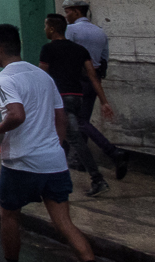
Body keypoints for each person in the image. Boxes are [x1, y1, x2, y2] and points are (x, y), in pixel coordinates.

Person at [0, 24, 117, 262]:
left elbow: (16, 115)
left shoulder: (4, 78)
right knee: (65, 224)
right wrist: (53, 148)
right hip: (53, 163)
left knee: (9, 216)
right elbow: (60, 121)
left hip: (20, 163)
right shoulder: (44, 77)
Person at [40, 15, 116, 196]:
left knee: (73, 139)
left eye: (45, 26)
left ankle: (97, 179)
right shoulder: (79, 50)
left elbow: (41, 77)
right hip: (77, 97)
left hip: (60, 99)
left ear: (51, 29)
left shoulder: (48, 49)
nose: (44, 30)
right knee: (62, 137)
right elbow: (93, 76)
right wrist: (104, 101)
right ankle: (54, 177)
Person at [63, 0, 129, 179]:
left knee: (78, 121)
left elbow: (66, 55)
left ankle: (113, 152)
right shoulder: (100, 32)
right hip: (95, 80)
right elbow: (104, 59)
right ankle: (81, 160)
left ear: (77, 12)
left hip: (78, 81)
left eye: (68, 11)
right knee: (82, 119)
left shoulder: (71, 30)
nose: (66, 15)